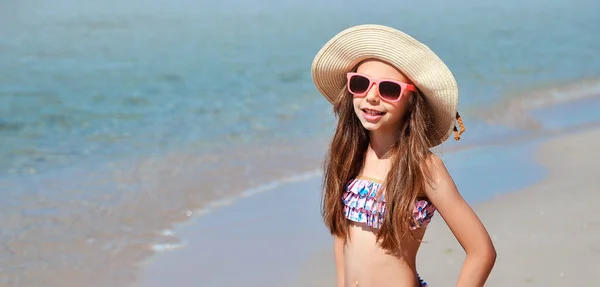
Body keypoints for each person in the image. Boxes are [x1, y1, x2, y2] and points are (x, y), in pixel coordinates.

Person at [310, 24, 497, 287]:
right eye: (361, 84)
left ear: (411, 99)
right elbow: (342, 235)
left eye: (388, 89)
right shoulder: (350, 156)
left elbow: (481, 252)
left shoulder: (423, 167)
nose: (371, 97)